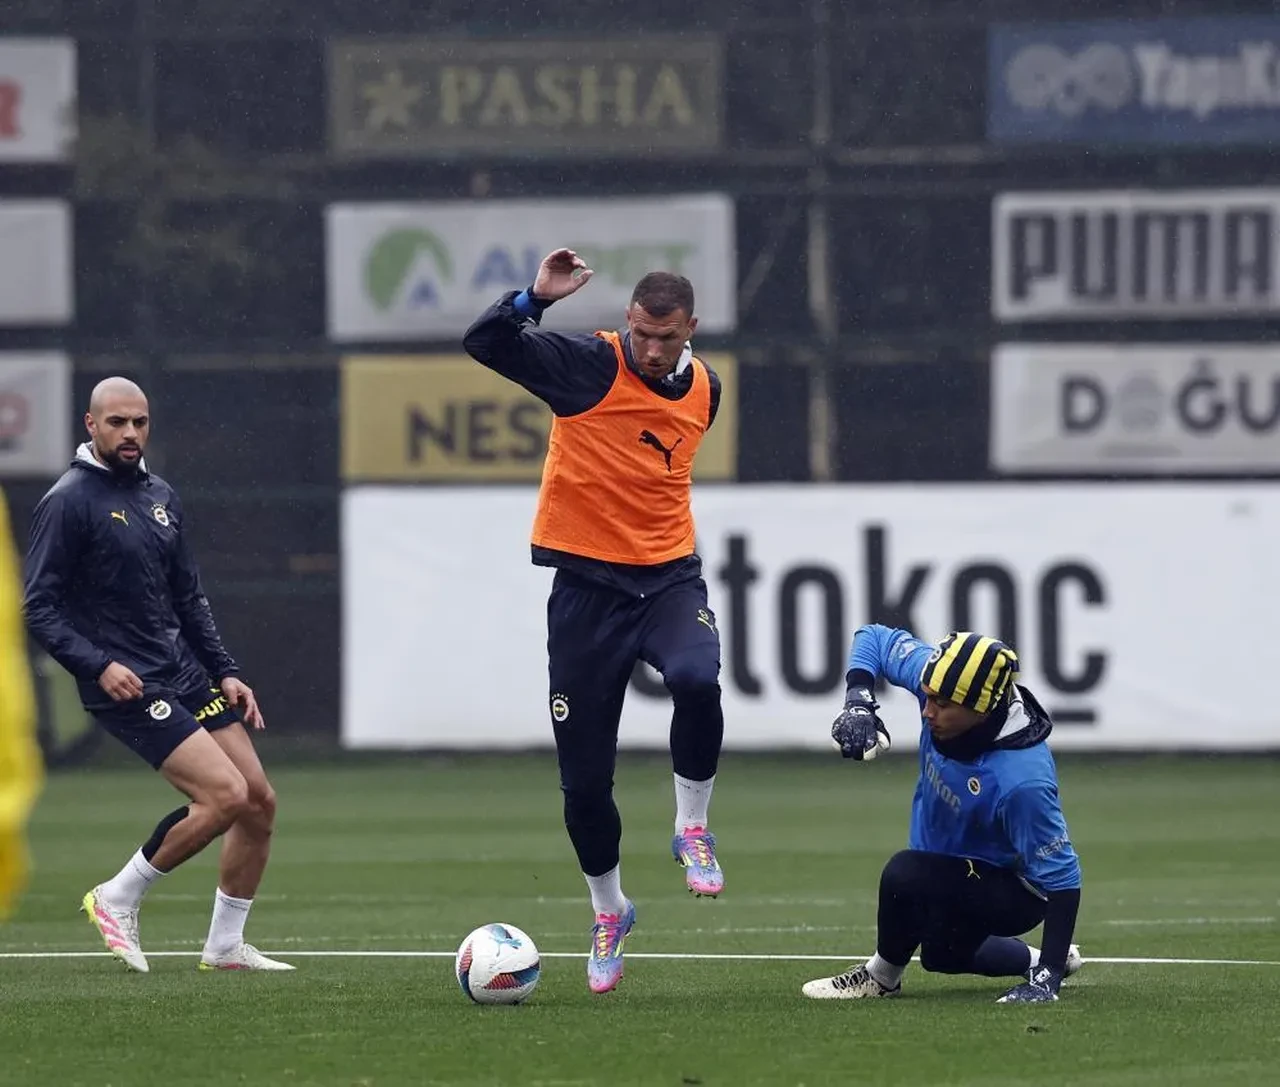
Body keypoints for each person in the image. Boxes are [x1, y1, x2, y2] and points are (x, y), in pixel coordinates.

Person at [463, 248, 726, 994]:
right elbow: (485, 343)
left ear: (690, 330)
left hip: (668, 579)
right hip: (586, 592)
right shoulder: (588, 365)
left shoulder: (707, 388)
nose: (651, 348)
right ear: (627, 322)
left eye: (665, 337)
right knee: (583, 784)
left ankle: (691, 827)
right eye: (641, 332)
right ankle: (610, 910)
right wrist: (534, 298)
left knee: (697, 678)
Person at [22, 377, 292, 973]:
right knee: (224, 796)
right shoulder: (68, 501)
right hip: (128, 683)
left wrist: (225, 670)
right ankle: (116, 898)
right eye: (117, 422)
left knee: (258, 803)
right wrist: (99, 665)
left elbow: (188, 597)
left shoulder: (159, 495)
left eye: (139, 422)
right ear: (90, 425)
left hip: (183, 672)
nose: (130, 433)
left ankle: (224, 947)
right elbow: (39, 608)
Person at [802, 626, 1083, 1004]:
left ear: (981, 709)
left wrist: (1047, 981)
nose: (927, 710)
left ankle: (881, 977)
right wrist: (858, 702)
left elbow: (1063, 876)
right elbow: (874, 637)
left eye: (942, 705)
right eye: (928, 695)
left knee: (905, 873)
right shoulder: (945, 684)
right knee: (941, 956)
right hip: (950, 866)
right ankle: (1041, 960)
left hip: (1015, 892)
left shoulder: (1021, 781)